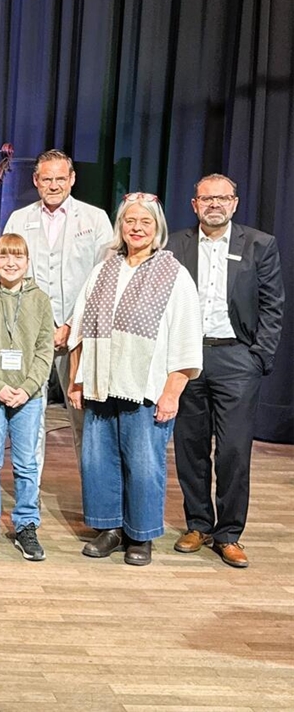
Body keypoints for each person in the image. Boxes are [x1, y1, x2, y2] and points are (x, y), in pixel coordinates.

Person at [67, 193, 202, 566]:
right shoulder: (104, 269)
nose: (137, 228)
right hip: (100, 385)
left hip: (145, 389)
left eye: (145, 222)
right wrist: (76, 379)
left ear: (157, 227)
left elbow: (187, 340)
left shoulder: (173, 274)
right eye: (130, 221)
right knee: (98, 460)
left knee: (143, 463)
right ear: (120, 227)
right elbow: (79, 327)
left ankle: (140, 535)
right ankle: (109, 528)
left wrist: (172, 393)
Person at [166, 174, 285, 569]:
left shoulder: (260, 244)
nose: (214, 204)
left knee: (233, 449)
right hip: (188, 356)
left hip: (237, 358)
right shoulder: (175, 245)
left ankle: (229, 533)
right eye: (206, 198)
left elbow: (272, 307)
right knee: (190, 446)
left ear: (234, 203)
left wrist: (258, 358)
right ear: (194, 204)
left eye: (222, 198)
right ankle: (198, 524)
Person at [2, 150, 112, 478]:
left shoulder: (95, 219)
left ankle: (95, 503)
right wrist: (42, 326)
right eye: (46, 178)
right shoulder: (18, 219)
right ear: (36, 181)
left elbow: (103, 279)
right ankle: (28, 499)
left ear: (72, 179)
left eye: (60, 178)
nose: (53, 185)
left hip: (79, 335)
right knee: (28, 420)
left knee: (84, 419)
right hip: (30, 335)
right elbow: (9, 275)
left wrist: (70, 325)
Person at [0, 234, 55, 561]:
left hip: (27, 397)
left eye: (17, 257)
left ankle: (26, 526)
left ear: (27, 262)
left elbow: (46, 350)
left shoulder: (40, 299)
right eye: (4, 256)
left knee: (26, 463)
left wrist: (27, 387)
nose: (10, 263)